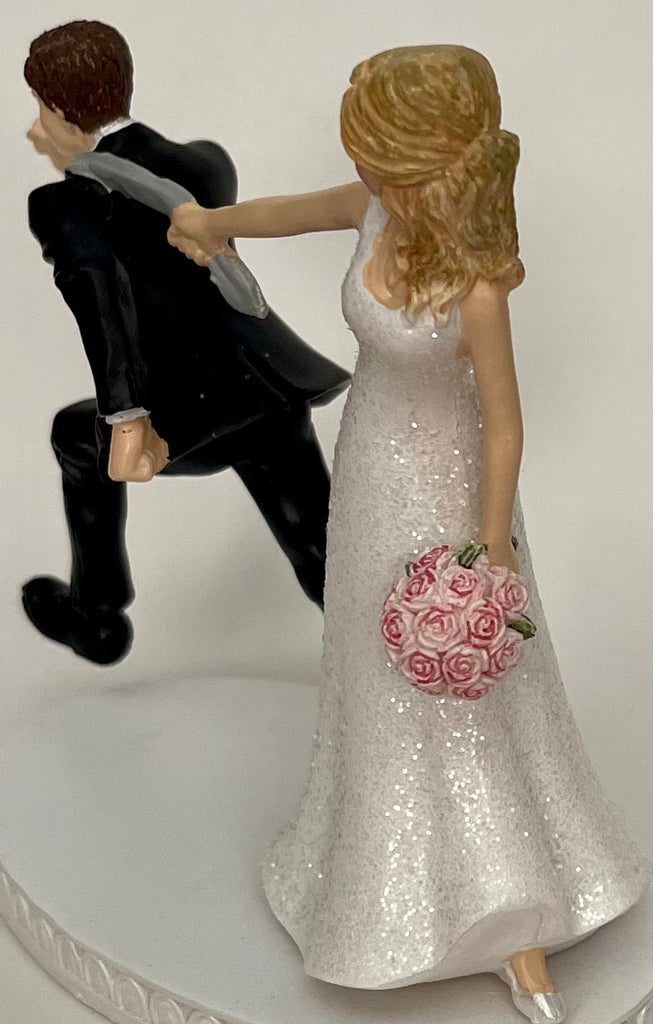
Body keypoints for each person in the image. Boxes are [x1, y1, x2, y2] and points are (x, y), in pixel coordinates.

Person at [169, 45, 651, 1023]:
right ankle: (378, 881)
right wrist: (212, 222)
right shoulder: (371, 208)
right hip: (370, 468)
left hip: (453, 489)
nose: (363, 173)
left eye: (379, 158)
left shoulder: (476, 284)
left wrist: (490, 549)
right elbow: (288, 212)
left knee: (466, 687)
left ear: (431, 165)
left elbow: (504, 422)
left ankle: (514, 918)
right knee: (373, 669)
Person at [22, 20, 349, 665]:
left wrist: (127, 419)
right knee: (322, 550)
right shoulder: (205, 161)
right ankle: (405, 650)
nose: (35, 132)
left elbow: (100, 303)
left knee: (72, 437)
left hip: (182, 420)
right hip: (266, 386)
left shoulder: (65, 205)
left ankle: (98, 616)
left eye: (40, 112)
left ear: (61, 110)